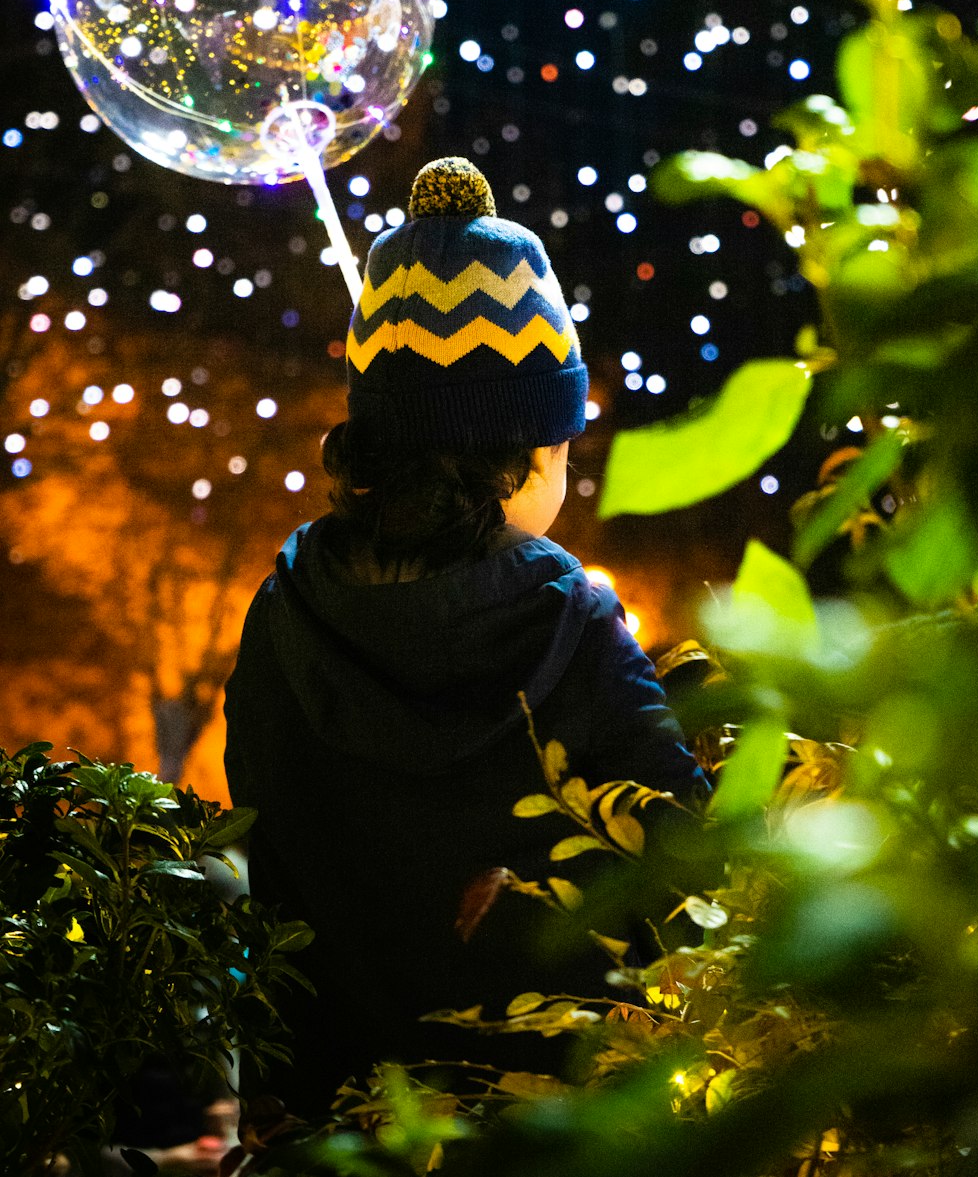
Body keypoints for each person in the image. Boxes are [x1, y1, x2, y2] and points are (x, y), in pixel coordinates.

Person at [224, 156, 706, 1119]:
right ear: (524, 453)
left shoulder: (284, 606)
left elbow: (262, 845)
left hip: (329, 1115)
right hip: (542, 1111)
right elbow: (678, 849)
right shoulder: (566, 612)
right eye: (568, 449)